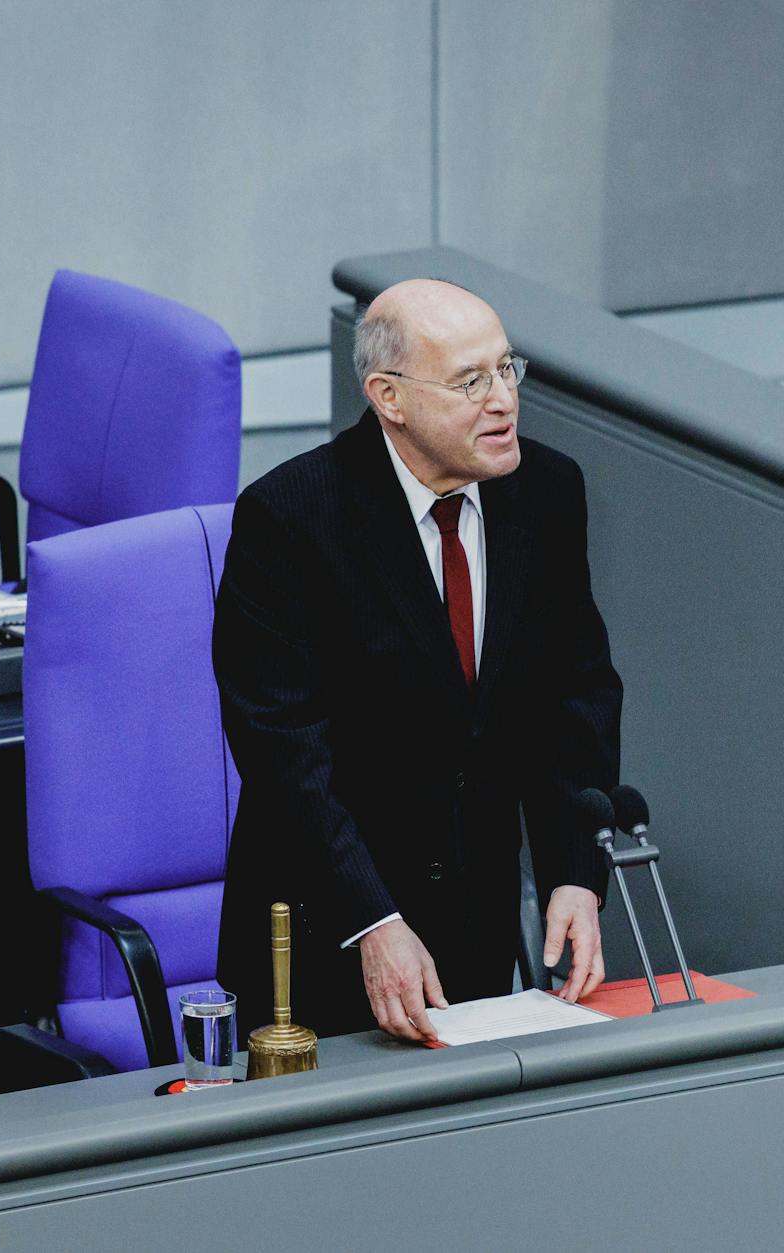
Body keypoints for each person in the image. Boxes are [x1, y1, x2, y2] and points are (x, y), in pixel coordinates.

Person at [213, 278, 622, 1041]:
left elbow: (578, 693)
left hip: (478, 926)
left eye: (507, 370)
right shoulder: (291, 519)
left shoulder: (546, 493)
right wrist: (372, 919)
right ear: (389, 398)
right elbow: (285, 753)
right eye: (471, 381)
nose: (502, 400)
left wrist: (574, 869)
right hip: (324, 937)